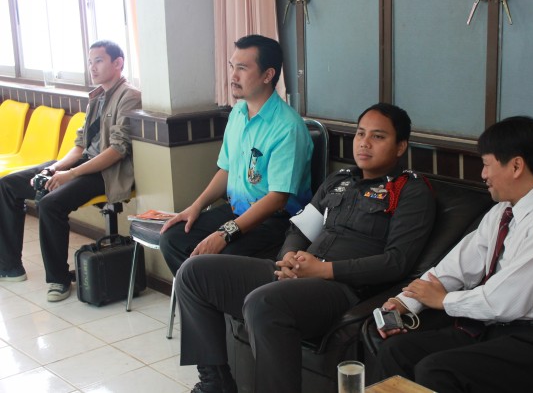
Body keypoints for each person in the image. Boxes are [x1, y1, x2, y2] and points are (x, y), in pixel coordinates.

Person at [175, 103, 436, 393]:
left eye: (378, 136)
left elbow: (396, 262)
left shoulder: (411, 192)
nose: (364, 142)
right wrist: (287, 257)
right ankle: (215, 385)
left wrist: (322, 270)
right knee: (193, 272)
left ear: (400, 147)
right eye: (361, 133)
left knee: (264, 303)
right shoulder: (340, 181)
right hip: (298, 272)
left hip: (341, 289)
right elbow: (300, 228)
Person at [376, 116, 533, 393]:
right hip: (499, 332)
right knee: (397, 350)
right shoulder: (501, 213)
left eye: (487, 164)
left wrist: (444, 301)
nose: (483, 174)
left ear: (516, 166)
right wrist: (404, 303)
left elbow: (507, 299)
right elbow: (455, 268)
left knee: (436, 370)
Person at [159, 34, 313, 274]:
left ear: (268, 75)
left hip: (277, 221)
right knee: (173, 238)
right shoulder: (238, 113)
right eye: (232, 67)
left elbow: (277, 199)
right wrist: (195, 206)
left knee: (221, 258)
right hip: (237, 210)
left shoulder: (288, 127)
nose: (233, 76)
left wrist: (225, 233)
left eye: (242, 68)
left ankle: (211, 292)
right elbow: (227, 169)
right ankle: (201, 295)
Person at [0, 40, 140, 302]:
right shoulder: (96, 97)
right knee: (8, 184)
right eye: (90, 62)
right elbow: (79, 146)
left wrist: (71, 175)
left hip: (107, 172)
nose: (92, 67)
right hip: (84, 162)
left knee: (51, 204)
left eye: (99, 61)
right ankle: (10, 267)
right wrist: (55, 168)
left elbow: (117, 150)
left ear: (118, 63)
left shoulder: (129, 96)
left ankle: (59, 280)